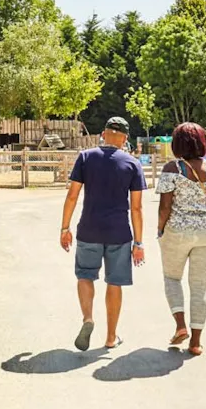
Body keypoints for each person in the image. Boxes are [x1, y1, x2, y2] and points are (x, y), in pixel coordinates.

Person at [60, 116, 146, 351]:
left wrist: (65, 228)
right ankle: (110, 337)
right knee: (114, 282)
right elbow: (136, 208)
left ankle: (88, 318)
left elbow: (72, 196)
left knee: (85, 276)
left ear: (103, 133)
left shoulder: (86, 157)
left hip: (89, 229)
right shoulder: (132, 164)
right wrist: (139, 243)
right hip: (119, 233)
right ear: (125, 138)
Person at [155, 122, 206, 355]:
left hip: (177, 232)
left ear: (177, 144)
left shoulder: (172, 168)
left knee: (172, 278)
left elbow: (164, 207)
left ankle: (180, 326)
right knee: (199, 287)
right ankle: (195, 343)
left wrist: (160, 230)